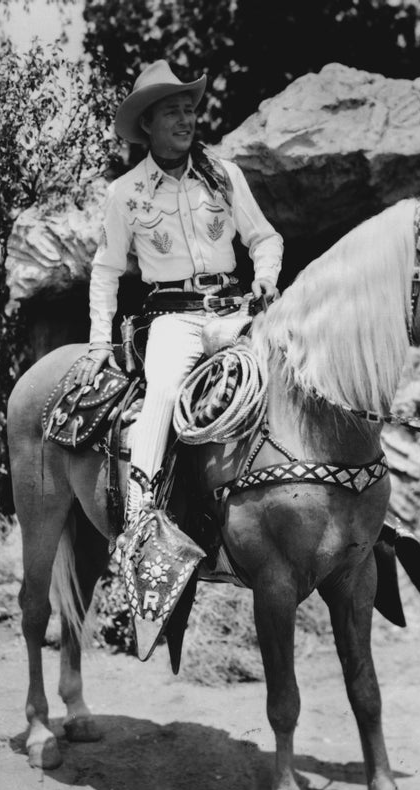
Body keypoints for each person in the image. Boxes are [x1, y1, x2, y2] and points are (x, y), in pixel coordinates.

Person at [75, 60, 284, 538]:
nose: (187, 120)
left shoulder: (224, 175)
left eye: (189, 109)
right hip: (174, 317)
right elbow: (105, 273)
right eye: (173, 112)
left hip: (235, 310)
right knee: (166, 390)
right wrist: (97, 345)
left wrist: (266, 276)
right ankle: (141, 521)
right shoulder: (125, 194)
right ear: (147, 124)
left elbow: (265, 239)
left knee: (295, 366)